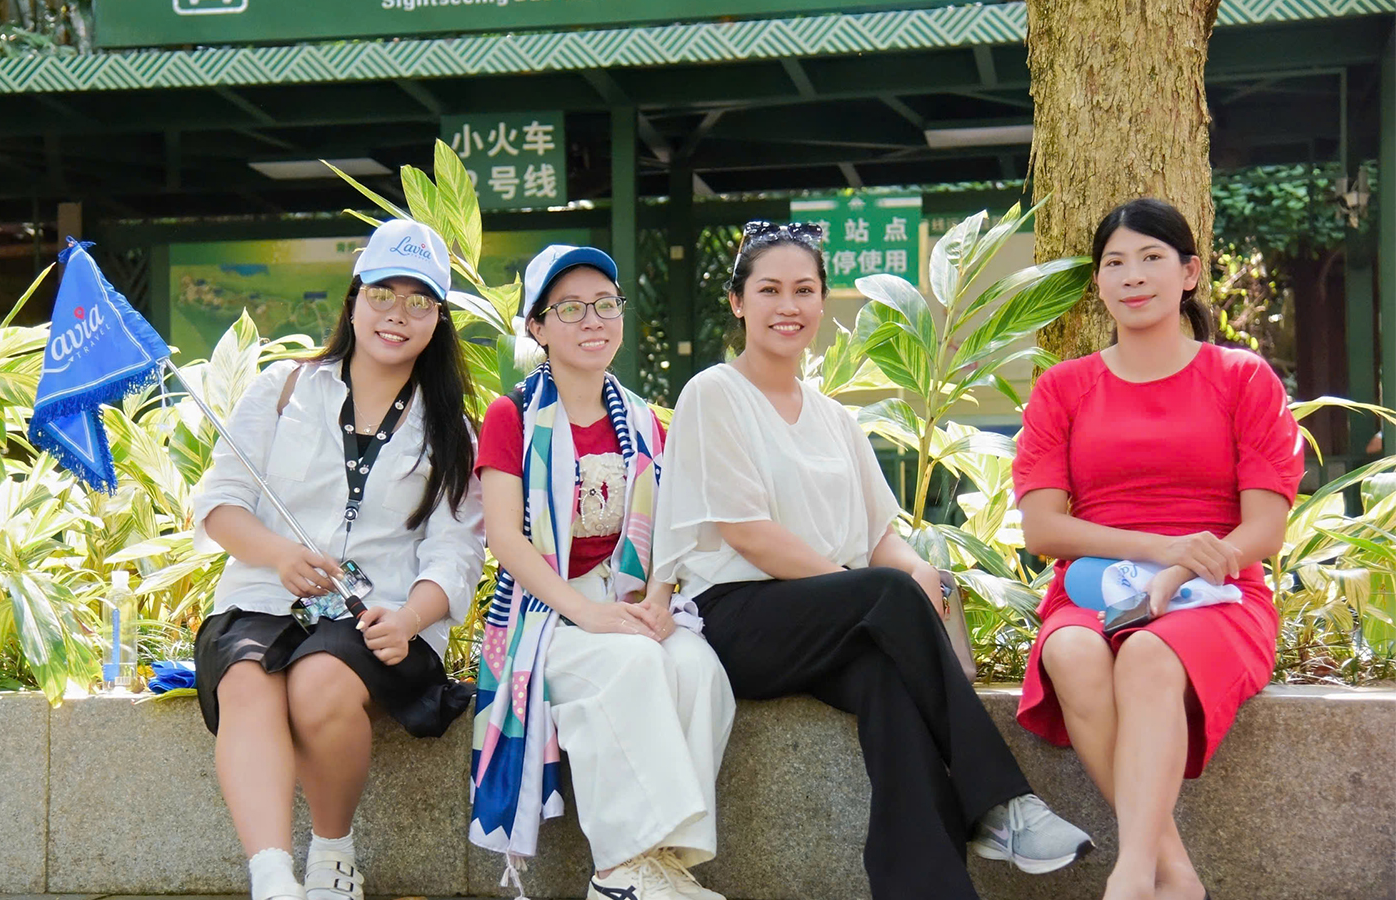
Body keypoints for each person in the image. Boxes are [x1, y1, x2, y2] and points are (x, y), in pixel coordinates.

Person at [652, 221, 1093, 900]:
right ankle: (1001, 802)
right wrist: (870, 592)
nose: (788, 306)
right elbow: (749, 534)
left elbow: (879, 535)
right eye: (769, 290)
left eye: (804, 290)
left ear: (822, 301)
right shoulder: (714, 393)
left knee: (888, 682)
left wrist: (919, 576)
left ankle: (929, 889)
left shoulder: (834, 418)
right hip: (738, 618)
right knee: (883, 595)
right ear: (738, 302)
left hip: (836, 618)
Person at [1013, 198, 1305, 900]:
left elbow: (1264, 531)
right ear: (1099, 282)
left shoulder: (1243, 379)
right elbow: (1042, 529)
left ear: (1190, 273)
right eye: (1115, 263)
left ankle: (1132, 878)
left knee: (1149, 652)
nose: (1133, 276)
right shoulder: (1063, 388)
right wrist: (1159, 550)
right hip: (1095, 588)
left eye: (1151, 258)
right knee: (1071, 651)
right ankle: (1174, 875)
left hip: (1217, 592)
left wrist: (1181, 571)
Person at [190, 219, 486, 900]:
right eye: (382, 294)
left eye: (419, 301)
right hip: (266, 597)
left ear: (438, 320)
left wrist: (411, 618)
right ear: (354, 300)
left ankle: (332, 856)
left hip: (381, 618)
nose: (397, 314)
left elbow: (457, 552)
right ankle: (272, 878)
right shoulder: (283, 388)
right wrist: (279, 554)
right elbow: (221, 503)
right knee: (245, 679)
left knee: (318, 680)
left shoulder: (453, 429)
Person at [470, 244, 735, 900]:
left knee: (698, 668)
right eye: (570, 308)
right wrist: (587, 612)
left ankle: (662, 862)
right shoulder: (512, 416)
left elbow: (671, 528)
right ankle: (618, 872)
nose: (593, 320)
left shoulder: (642, 420)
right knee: (633, 665)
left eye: (606, 305)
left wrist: (658, 601)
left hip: (625, 600)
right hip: (544, 615)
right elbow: (505, 538)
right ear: (537, 328)